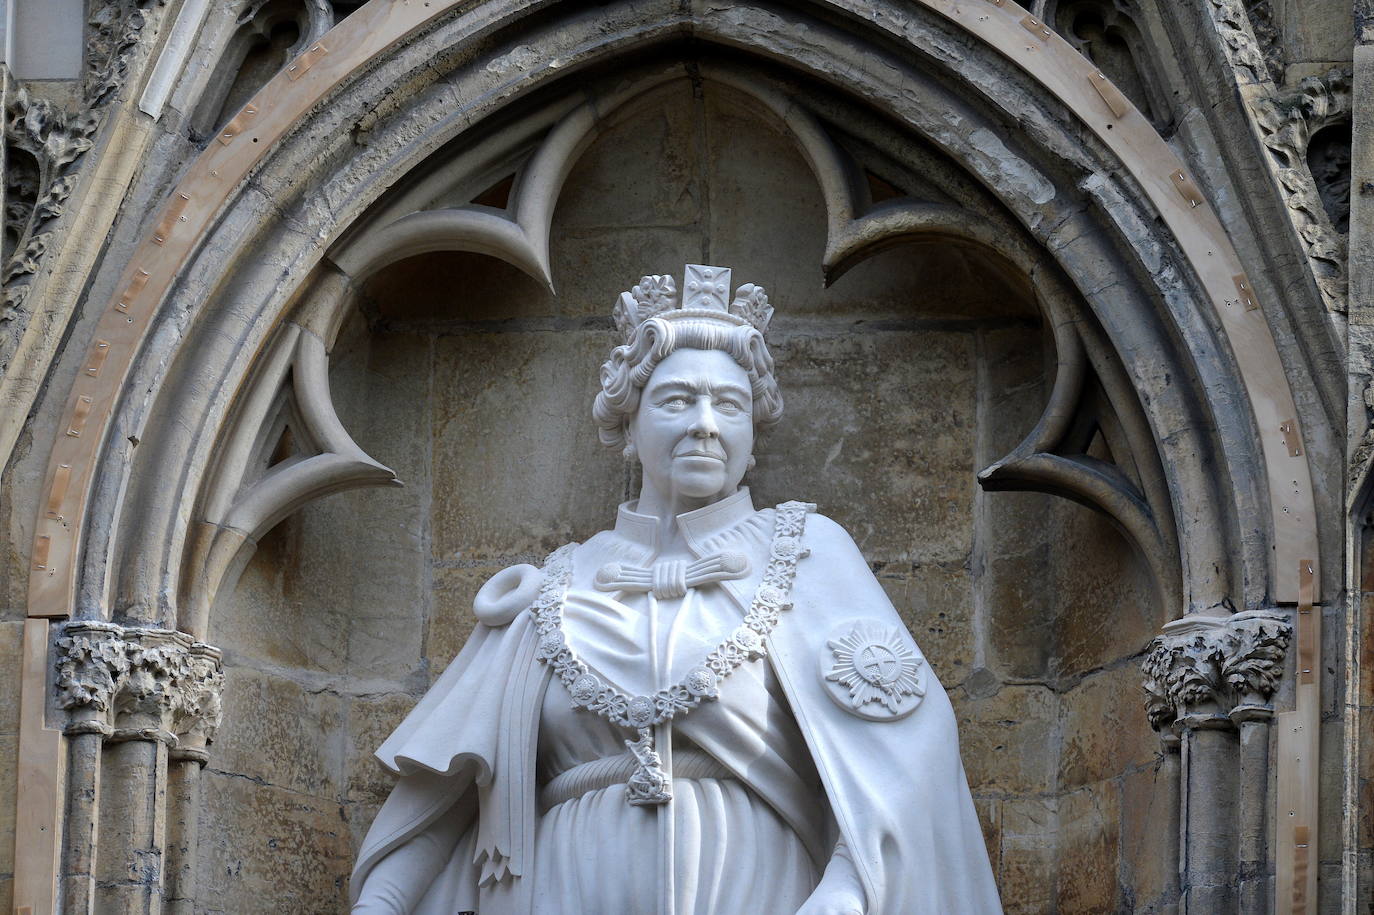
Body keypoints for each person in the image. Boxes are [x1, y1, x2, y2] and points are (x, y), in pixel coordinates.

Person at [350, 266, 1002, 914]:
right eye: (676, 400)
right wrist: (378, 905)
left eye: (729, 404)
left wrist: (848, 887)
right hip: (561, 889)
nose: (705, 423)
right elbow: (441, 797)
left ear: (753, 439)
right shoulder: (549, 590)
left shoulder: (808, 555)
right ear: (629, 428)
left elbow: (906, 757)